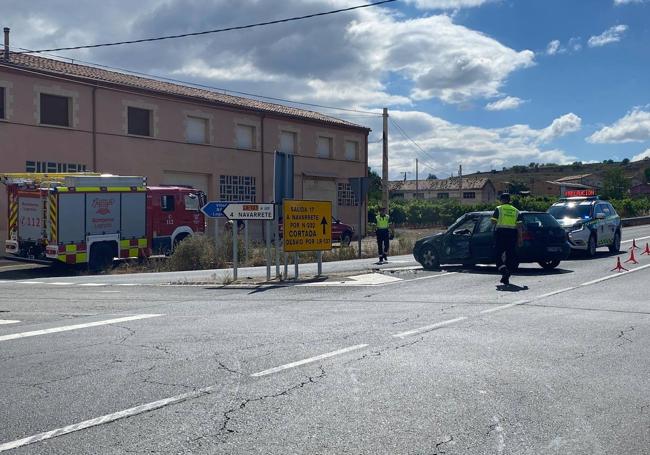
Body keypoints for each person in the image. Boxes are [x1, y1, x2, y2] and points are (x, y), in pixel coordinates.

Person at [491, 193, 520, 285]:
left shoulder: (499, 209)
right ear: (509, 200)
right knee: (510, 256)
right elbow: (519, 226)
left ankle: (504, 271)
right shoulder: (516, 211)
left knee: (497, 255)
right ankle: (506, 277)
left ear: (502, 200)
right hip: (512, 235)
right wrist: (520, 238)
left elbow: (493, 221)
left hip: (501, 234)